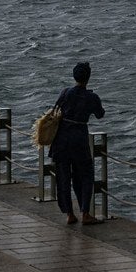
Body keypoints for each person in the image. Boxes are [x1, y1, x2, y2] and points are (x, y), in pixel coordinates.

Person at [49, 61, 106, 225]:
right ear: (88, 77)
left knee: (63, 177)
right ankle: (85, 213)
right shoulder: (92, 97)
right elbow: (100, 114)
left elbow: (55, 110)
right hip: (79, 140)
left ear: (74, 76)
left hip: (61, 140)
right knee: (86, 175)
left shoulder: (65, 92)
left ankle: (69, 214)